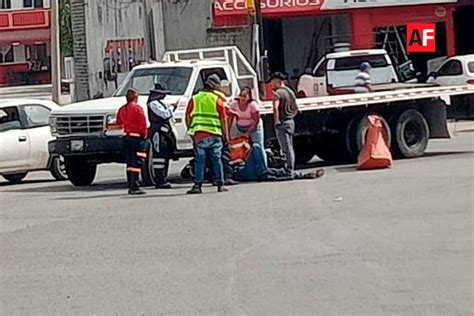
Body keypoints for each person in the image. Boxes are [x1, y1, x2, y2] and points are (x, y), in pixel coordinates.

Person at [185, 74, 228, 194]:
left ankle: (197, 186)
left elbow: (187, 116)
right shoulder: (217, 99)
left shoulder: (195, 98)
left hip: (199, 135)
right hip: (215, 134)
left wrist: (191, 130)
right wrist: (226, 135)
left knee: (200, 161)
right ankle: (220, 184)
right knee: (216, 159)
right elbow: (223, 119)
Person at [229, 137, 324, 182]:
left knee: (274, 172)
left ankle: (301, 175)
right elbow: (232, 163)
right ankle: (264, 172)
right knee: (256, 146)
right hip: (240, 172)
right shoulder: (226, 156)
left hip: (247, 172)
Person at [117, 89, 147, 195]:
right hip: (137, 139)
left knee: (129, 163)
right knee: (137, 163)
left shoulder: (122, 109)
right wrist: (145, 136)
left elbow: (118, 122)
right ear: (135, 97)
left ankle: (130, 184)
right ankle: (135, 186)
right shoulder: (137, 108)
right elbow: (143, 123)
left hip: (126, 138)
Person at [270, 72, 299, 178]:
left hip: (282, 122)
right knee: (290, 146)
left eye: (273, 83)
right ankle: (290, 168)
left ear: (278, 81)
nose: (272, 85)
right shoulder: (290, 91)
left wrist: (276, 121)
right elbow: (296, 108)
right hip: (290, 121)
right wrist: (291, 116)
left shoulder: (278, 93)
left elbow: (275, 108)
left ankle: (289, 171)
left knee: (286, 148)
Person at [147, 83, 175, 189]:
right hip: (158, 134)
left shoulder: (158, 103)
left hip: (164, 134)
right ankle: (160, 180)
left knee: (165, 156)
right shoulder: (153, 103)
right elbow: (164, 114)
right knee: (159, 157)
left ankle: (163, 178)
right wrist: (173, 107)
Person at [229, 86, 266, 160]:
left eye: (244, 96)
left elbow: (256, 120)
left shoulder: (252, 105)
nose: (242, 98)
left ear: (249, 97)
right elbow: (229, 117)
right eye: (241, 96)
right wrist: (228, 132)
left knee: (258, 146)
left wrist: (248, 133)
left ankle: (263, 166)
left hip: (254, 127)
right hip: (239, 127)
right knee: (238, 146)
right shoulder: (234, 104)